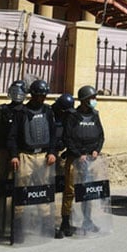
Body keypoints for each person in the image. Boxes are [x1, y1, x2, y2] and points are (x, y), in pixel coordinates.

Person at [7, 79, 57, 243]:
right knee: (22, 191)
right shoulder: (21, 112)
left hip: (43, 157)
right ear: (32, 95)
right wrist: (14, 155)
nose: (41, 98)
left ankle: (46, 225)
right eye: (38, 95)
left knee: (43, 190)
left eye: (44, 95)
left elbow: (53, 133)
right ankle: (19, 227)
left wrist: (52, 152)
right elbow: (12, 136)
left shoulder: (48, 111)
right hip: (25, 156)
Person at [59, 85, 104, 236]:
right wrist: (78, 154)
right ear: (84, 100)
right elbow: (68, 138)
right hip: (75, 159)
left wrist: (97, 150)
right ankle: (65, 222)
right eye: (92, 98)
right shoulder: (73, 116)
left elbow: (101, 136)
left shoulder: (95, 115)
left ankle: (87, 220)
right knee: (70, 191)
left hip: (91, 160)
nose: (94, 101)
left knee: (88, 191)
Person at [0, 80, 27, 237]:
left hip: (21, 154)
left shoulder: (26, 111)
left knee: (20, 188)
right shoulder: (2, 111)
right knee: (0, 189)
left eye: (21, 90)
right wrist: (1, 150)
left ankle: (17, 224)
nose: (17, 94)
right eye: (15, 90)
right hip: (4, 154)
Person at [51, 93, 74, 238]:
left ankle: (61, 222)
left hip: (60, 155)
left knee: (61, 188)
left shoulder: (68, 116)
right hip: (48, 156)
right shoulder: (50, 114)